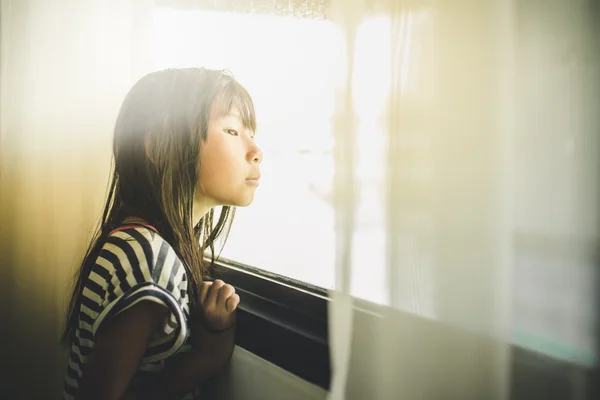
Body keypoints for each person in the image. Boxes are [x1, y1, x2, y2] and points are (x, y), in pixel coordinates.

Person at [61, 67, 263, 399]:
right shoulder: (148, 256)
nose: (256, 151)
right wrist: (206, 356)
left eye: (251, 132)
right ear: (159, 147)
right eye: (231, 130)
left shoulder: (144, 244)